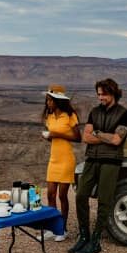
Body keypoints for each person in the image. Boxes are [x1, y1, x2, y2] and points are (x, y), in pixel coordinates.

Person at [71, 78, 127, 253]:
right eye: (98, 94)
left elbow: (117, 140)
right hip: (92, 159)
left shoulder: (124, 114)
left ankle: (96, 240)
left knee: (104, 200)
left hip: (111, 161)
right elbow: (85, 138)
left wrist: (97, 133)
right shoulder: (94, 112)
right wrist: (103, 136)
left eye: (103, 94)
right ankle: (84, 236)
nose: (100, 98)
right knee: (81, 195)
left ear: (113, 93)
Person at [40, 85, 81, 241]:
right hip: (54, 159)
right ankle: (52, 227)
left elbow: (78, 138)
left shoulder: (69, 115)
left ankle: (62, 230)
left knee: (62, 196)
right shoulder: (49, 117)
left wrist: (58, 134)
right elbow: (52, 137)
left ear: (57, 101)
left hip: (66, 160)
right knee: (50, 194)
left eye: (50, 100)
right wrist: (50, 136)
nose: (48, 103)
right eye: (47, 100)